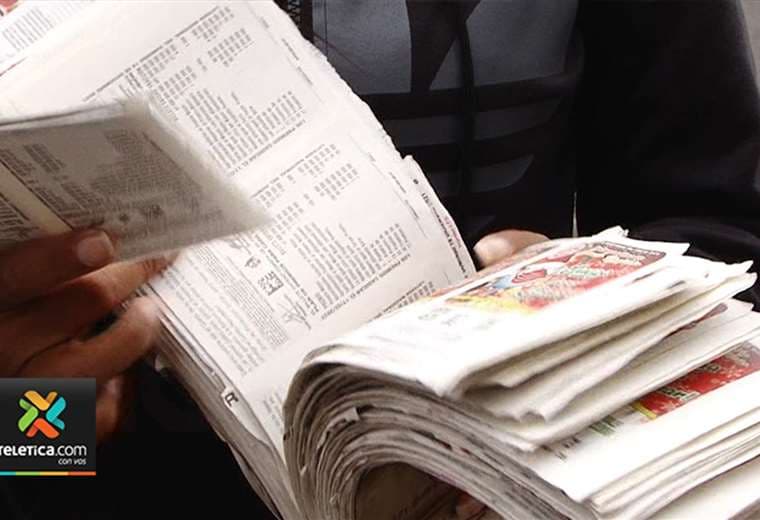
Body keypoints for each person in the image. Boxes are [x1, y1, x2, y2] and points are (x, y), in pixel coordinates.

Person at [3, 0, 760, 518]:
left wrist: (597, 345)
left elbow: (719, 234)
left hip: (499, 481)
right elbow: (25, 440)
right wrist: (33, 439)